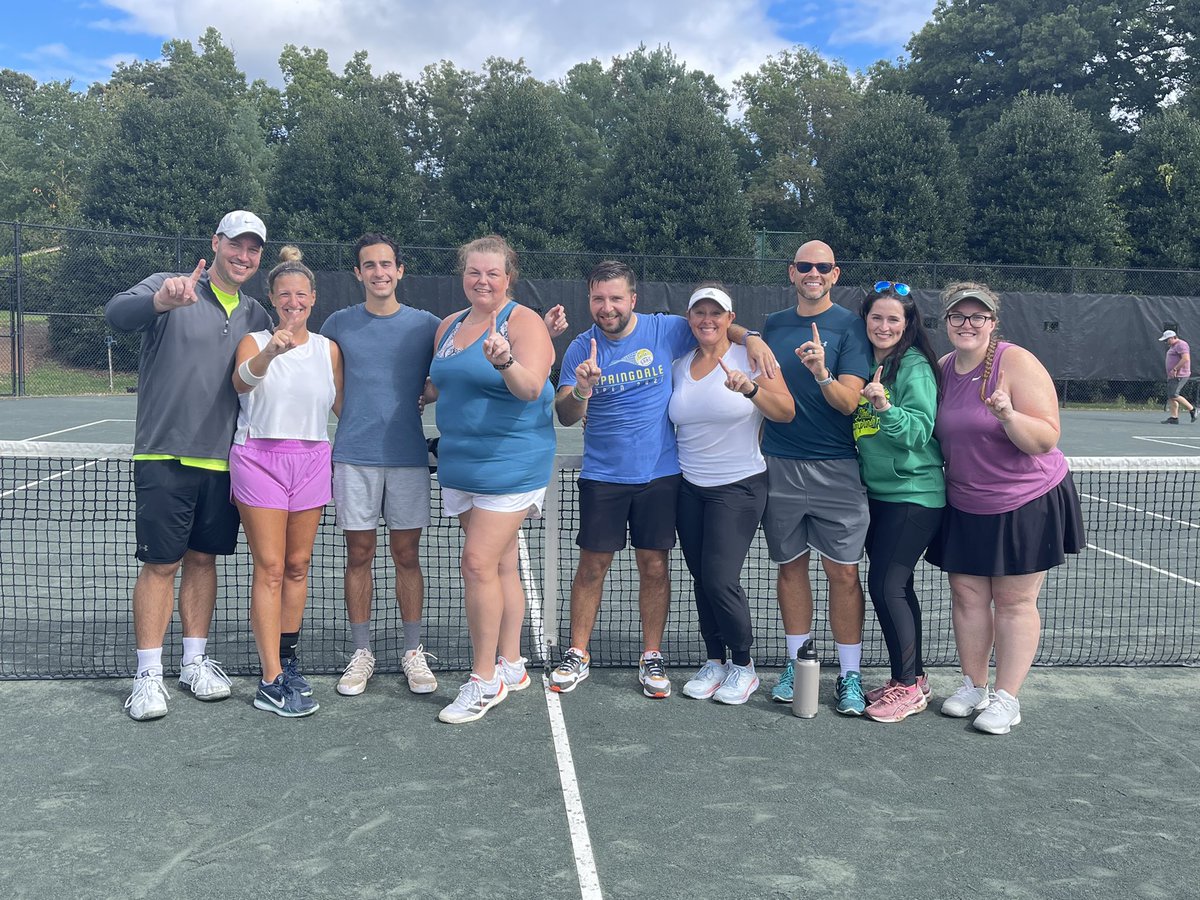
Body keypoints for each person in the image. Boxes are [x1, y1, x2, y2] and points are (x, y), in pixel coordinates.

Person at [550, 261, 777, 698]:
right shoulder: (582, 347)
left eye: (616, 298)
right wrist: (582, 390)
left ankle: (652, 656)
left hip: (661, 476)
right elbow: (564, 413)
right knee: (592, 566)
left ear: (633, 299)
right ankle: (578, 653)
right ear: (590, 301)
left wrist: (751, 337)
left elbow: (715, 324)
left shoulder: (665, 329)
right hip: (603, 476)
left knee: (654, 567)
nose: (607, 307)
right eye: (598, 298)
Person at [105, 210, 273, 721]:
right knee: (160, 565)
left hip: (225, 462)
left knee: (204, 561)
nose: (243, 256)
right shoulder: (169, 286)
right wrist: (160, 301)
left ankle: (194, 662)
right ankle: (148, 675)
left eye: (253, 249)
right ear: (215, 244)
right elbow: (115, 314)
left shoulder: (258, 316)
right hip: (164, 454)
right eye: (235, 245)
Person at [925, 282, 1084, 734]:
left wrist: (1009, 416)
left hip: (1025, 500)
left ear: (993, 324)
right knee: (968, 597)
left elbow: (1046, 437)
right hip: (964, 501)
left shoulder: (1015, 361)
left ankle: (1007, 698)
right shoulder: (942, 368)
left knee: (1014, 601)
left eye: (978, 317)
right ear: (947, 321)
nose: (967, 324)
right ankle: (973, 686)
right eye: (958, 316)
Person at [427, 235, 556, 724]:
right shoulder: (450, 324)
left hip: (512, 461)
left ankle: (482, 681)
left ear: (509, 278)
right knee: (501, 564)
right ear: (463, 275)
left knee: (477, 564)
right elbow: (442, 380)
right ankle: (513, 664)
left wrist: (503, 360)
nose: (483, 281)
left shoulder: (524, 323)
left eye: (493, 274)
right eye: (474, 272)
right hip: (461, 462)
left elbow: (530, 388)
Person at [319, 234, 442, 698]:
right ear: (358, 273)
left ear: (400, 270)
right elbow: (326, 380)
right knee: (359, 555)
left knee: (407, 556)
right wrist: (352, 418)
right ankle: (362, 652)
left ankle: (413, 651)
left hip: (408, 460)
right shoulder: (338, 324)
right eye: (369, 265)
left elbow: (447, 376)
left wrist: (426, 394)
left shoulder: (427, 325)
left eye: (386, 264)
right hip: (354, 459)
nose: (379, 272)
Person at [761, 240, 873, 715]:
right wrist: (748, 336)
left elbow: (850, 403)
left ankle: (850, 675)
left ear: (835, 274)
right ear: (792, 272)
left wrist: (822, 371)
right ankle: (797, 663)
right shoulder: (772, 325)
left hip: (837, 469)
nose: (813, 272)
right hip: (779, 466)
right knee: (790, 568)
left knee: (843, 573)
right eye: (805, 265)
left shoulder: (851, 328)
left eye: (822, 267)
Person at [669, 284, 794, 705]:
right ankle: (714, 661)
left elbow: (786, 412)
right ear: (690, 319)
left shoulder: (754, 358)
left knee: (721, 580)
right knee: (703, 580)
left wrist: (751, 390)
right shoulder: (679, 364)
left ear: (729, 318)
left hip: (739, 487)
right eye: (699, 313)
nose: (707, 320)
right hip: (689, 488)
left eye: (716, 313)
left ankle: (744, 665)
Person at [231, 247, 342, 717]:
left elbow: (345, 409)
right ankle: (270, 678)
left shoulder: (328, 349)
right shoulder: (254, 342)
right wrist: (271, 353)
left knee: (298, 565)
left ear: (312, 299)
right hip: (258, 458)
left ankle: (289, 661)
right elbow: (241, 383)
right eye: (284, 295)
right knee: (271, 567)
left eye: (301, 294)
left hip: (314, 458)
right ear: (273, 299)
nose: (293, 302)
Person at [852, 282, 945, 723]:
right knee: (897, 587)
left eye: (894, 319)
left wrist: (884, 406)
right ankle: (914, 676)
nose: (884, 326)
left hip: (914, 495)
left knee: (886, 586)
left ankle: (907, 687)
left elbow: (917, 432)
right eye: (877, 317)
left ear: (907, 325)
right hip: (879, 495)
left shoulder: (914, 367)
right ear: (865, 319)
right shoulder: (864, 362)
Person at [1158, 329, 1196, 424]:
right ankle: (1174, 417)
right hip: (1173, 375)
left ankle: (1192, 409)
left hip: (1180, 374)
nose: (1166, 342)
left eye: (1167, 340)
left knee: (1174, 394)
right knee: (1171, 396)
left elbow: (1185, 358)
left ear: (1173, 337)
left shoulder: (1181, 344)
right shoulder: (1173, 346)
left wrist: (1175, 369)